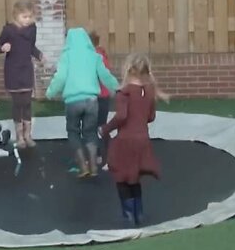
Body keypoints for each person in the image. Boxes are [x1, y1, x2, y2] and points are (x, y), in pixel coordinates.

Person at [45, 28, 119, 177]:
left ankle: (82, 166)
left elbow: (60, 78)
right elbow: (105, 75)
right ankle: (93, 166)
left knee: (73, 132)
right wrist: (117, 88)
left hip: (73, 102)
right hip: (92, 101)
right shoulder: (94, 56)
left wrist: (50, 93)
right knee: (91, 132)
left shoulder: (67, 57)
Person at [101, 54, 161, 227]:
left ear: (127, 70)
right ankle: (139, 214)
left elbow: (121, 116)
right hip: (143, 140)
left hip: (125, 141)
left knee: (121, 177)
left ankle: (128, 216)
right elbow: (151, 117)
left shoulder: (124, 93)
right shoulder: (148, 92)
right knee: (134, 177)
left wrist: (105, 129)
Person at [0, 0, 43, 149]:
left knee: (27, 103)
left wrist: (39, 55)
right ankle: (19, 136)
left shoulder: (32, 29)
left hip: (26, 69)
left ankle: (28, 135)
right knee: (18, 104)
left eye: (29, 17)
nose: (27, 20)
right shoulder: (8, 30)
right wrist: (3, 48)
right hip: (13, 70)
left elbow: (30, 47)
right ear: (16, 16)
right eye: (24, 17)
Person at [88, 30, 113, 169]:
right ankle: (98, 155)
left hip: (100, 97)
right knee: (95, 127)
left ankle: (107, 157)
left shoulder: (97, 56)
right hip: (98, 96)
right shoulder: (99, 54)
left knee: (100, 127)